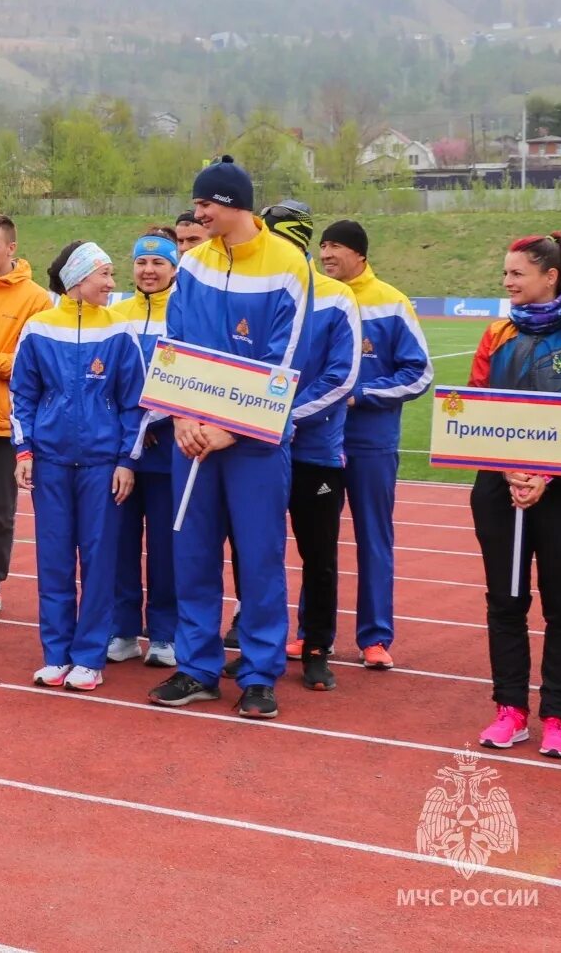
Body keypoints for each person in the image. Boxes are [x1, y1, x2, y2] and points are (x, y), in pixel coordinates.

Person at [147, 157, 308, 721]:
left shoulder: (289, 265)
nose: (197, 214)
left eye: (205, 205)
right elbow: (174, 346)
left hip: (255, 445)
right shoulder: (193, 266)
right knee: (191, 555)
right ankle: (197, 668)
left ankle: (260, 674)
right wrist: (183, 418)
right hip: (192, 437)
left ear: (233, 203)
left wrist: (228, 428)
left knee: (260, 560)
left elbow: (285, 361)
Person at [466, 232, 561, 760]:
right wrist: (509, 471)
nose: (506, 283)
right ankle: (510, 710)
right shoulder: (495, 335)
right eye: (505, 274)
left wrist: (543, 476)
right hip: (498, 488)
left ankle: (558, 717)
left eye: (516, 274)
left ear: (550, 277)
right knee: (505, 600)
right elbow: (475, 409)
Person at [11, 240, 142, 690]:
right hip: (50, 462)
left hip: (102, 466)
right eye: (103, 274)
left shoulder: (120, 330)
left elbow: (133, 404)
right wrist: (24, 451)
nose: (111, 283)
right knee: (54, 561)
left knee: (100, 560)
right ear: (77, 279)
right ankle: (57, 654)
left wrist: (126, 461)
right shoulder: (38, 329)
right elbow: (22, 395)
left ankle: (90, 656)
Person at [320, 219, 433, 675]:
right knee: (317, 540)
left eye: (335, 247)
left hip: (371, 443)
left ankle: (375, 637)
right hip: (321, 441)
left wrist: (361, 394)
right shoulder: (318, 297)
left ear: (360, 254)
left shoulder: (391, 302)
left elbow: (419, 374)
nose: (325, 254)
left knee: (373, 537)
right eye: (322, 246)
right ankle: (314, 633)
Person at [260, 202, 361, 694]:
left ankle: (317, 647)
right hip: (256, 447)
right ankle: (262, 643)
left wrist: (280, 414)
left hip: (314, 452)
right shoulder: (260, 292)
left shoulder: (338, 299)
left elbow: (342, 380)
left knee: (318, 555)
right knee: (256, 552)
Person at [0, 213, 52, 619]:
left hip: (4, 421)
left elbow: (29, 363)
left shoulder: (35, 298)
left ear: (11, 248)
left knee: (1, 511)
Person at [108, 230, 180, 667]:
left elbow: (193, 378)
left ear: (174, 268)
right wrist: (132, 426)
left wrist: (155, 421)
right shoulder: (116, 315)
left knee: (166, 550)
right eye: (141, 263)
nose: (148, 271)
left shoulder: (187, 313)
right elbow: (109, 383)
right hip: (122, 454)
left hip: (171, 452)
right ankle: (122, 630)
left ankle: (165, 634)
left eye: (158, 263)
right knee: (120, 543)